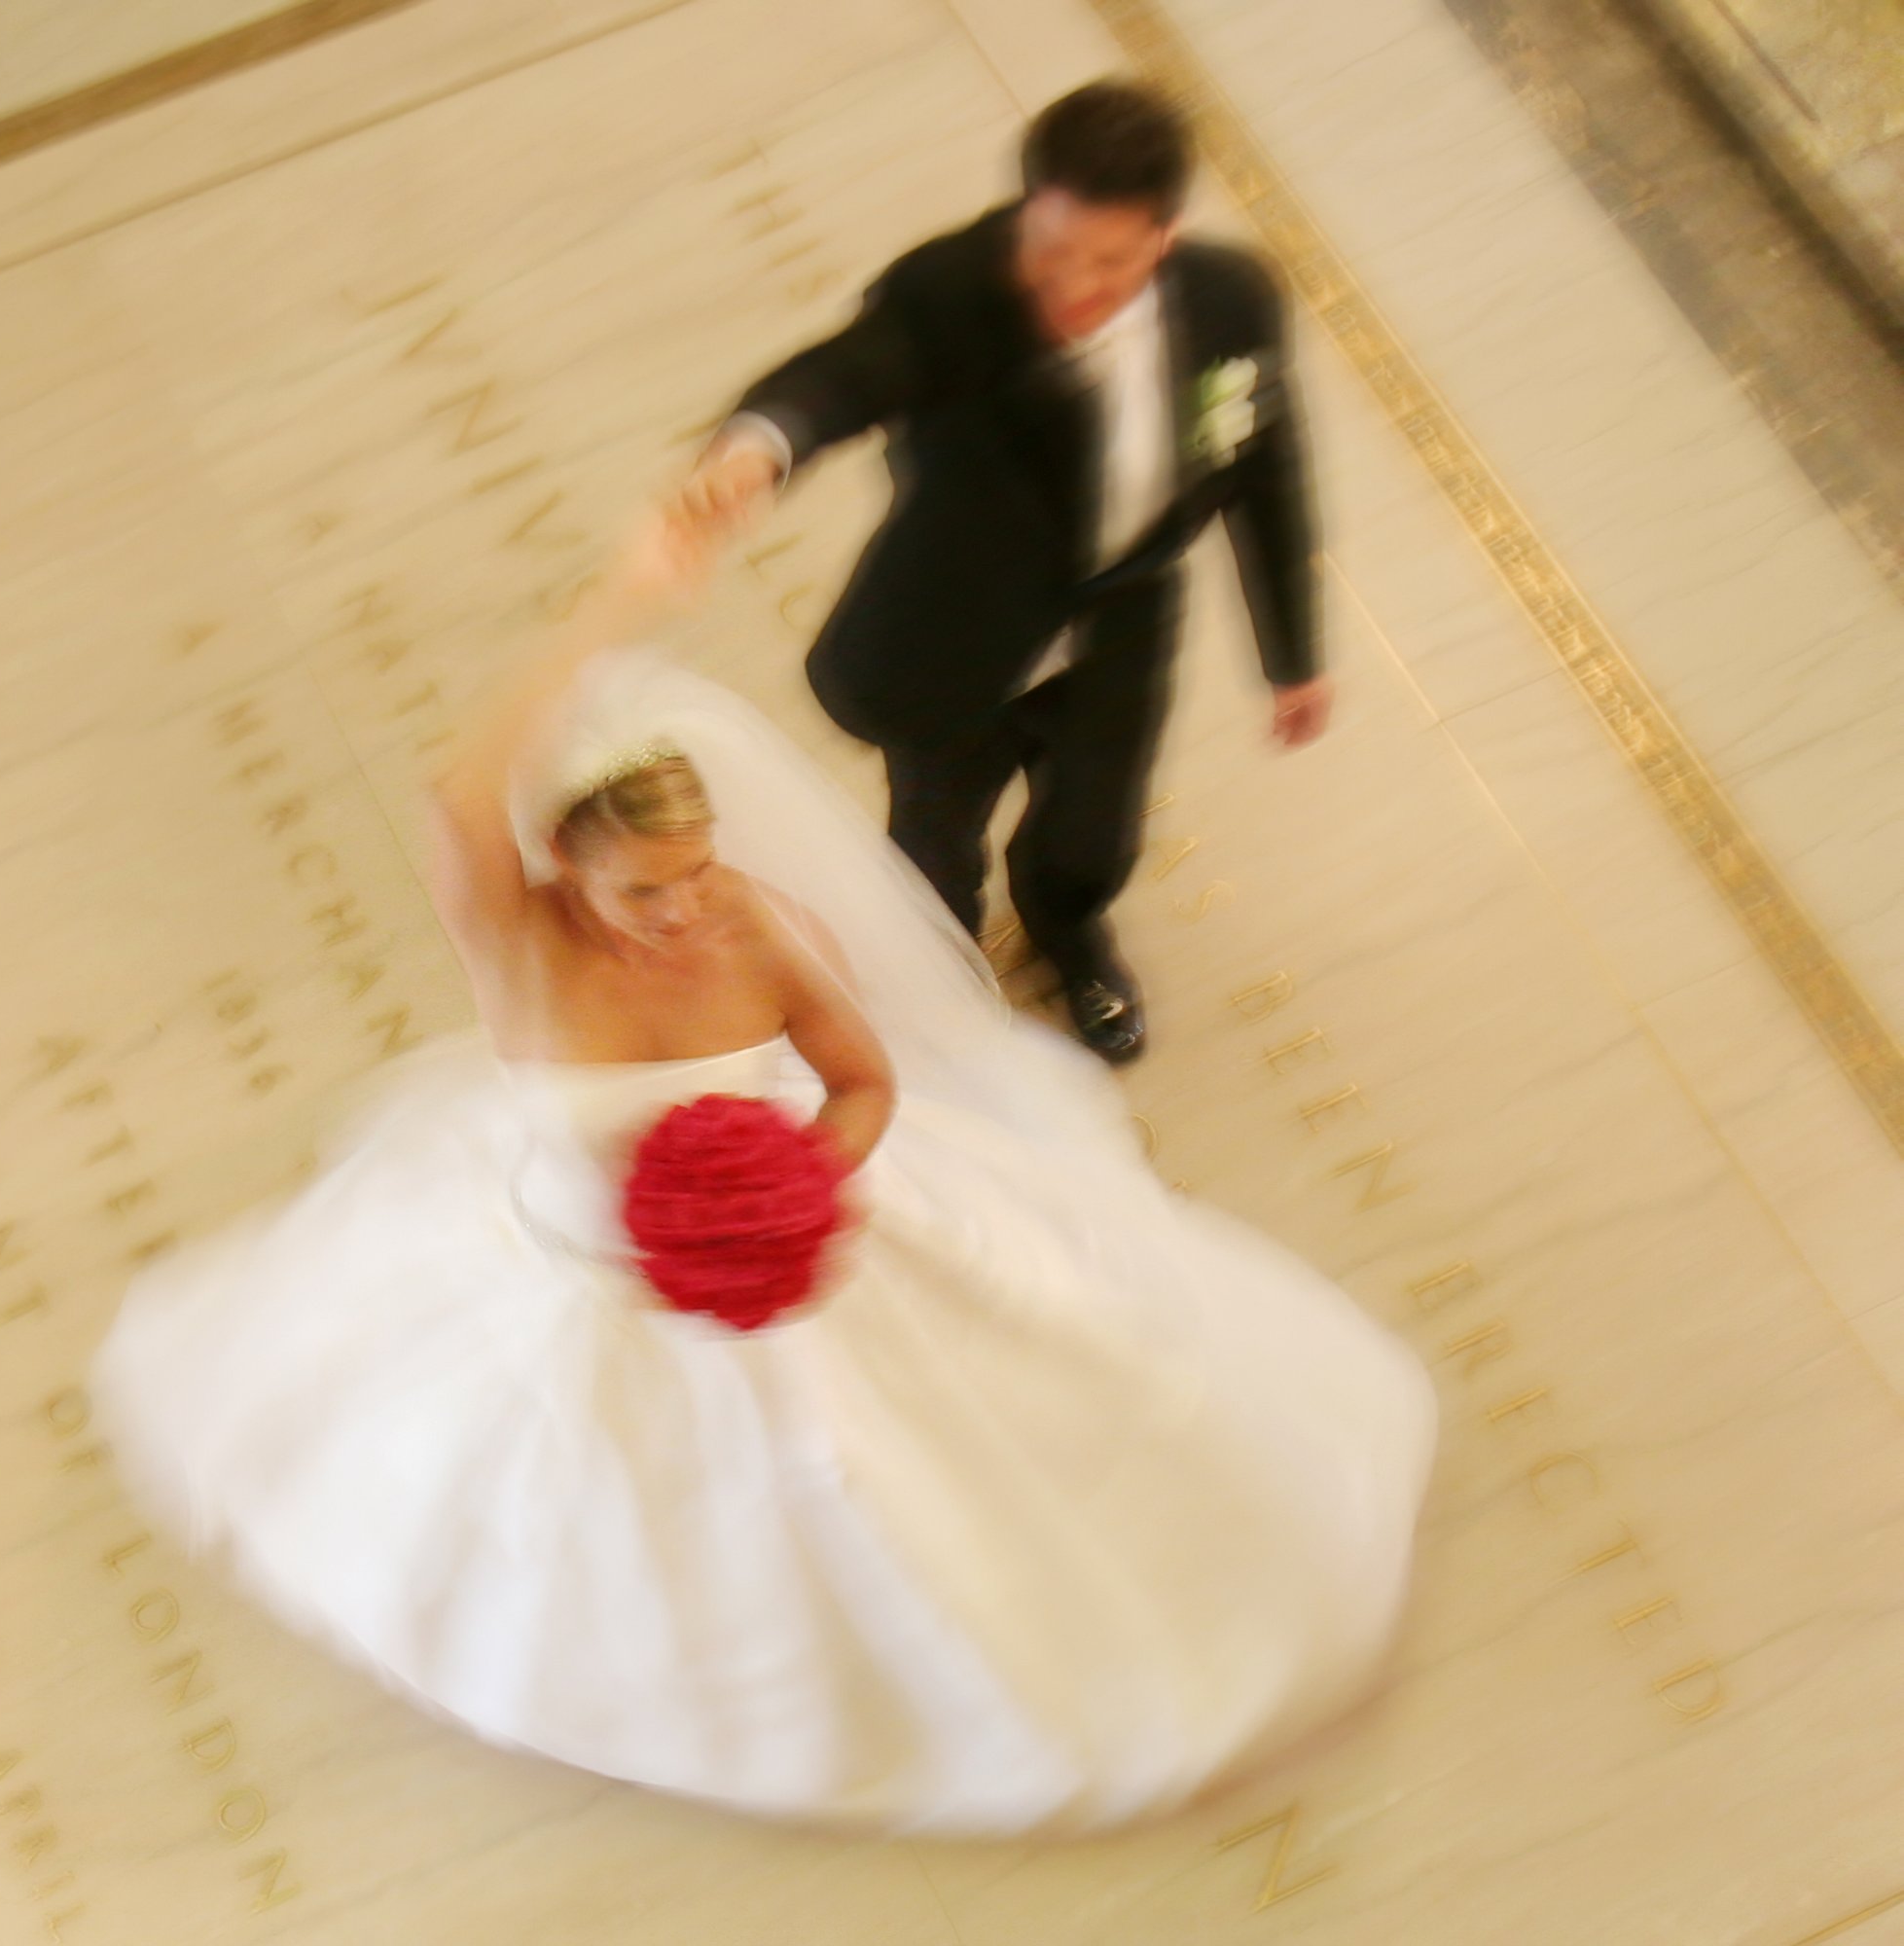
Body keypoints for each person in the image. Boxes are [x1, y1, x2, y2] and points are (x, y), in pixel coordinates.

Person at [90, 510, 1433, 1834]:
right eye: (642, 893)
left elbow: (862, 1085)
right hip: (570, 1288)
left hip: (799, 1262)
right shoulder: (519, 944)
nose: (683, 913)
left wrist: (803, 1178)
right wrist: (622, 598)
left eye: (695, 873)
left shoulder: (759, 929)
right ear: (564, 862)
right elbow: (456, 795)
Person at [682, 79, 1324, 1064]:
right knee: (932, 841)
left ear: (1162, 236)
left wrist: (1293, 654)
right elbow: (848, 372)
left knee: (1094, 832)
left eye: (1107, 262)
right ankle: (938, 986)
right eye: (1053, 249)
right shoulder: (948, 290)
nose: (1071, 287)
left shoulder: (1231, 303)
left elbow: (1265, 470)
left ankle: (1071, 935)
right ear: (1029, 208)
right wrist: (760, 444)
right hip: (956, 624)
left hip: (1122, 621)